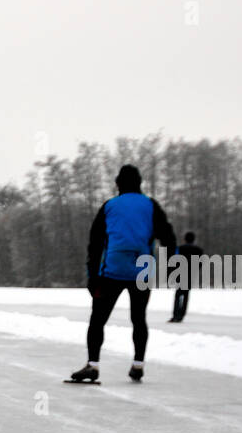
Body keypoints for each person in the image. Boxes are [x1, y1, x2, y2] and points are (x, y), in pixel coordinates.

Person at [69, 164, 176, 383]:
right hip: (142, 271)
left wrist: (92, 275)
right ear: (140, 183)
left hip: (113, 270)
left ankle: (93, 365)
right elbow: (168, 235)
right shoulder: (150, 205)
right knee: (139, 318)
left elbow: (95, 243)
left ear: (118, 184)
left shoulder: (109, 206)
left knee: (98, 319)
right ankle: (138, 365)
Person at [168, 231, 202, 323]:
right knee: (186, 295)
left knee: (178, 295)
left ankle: (175, 315)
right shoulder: (199, 250)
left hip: (180, 274)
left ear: (185, 239)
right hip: (191, 275)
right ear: (194, 239)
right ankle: (181, 315)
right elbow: (200, 263)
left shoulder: (179, 248)